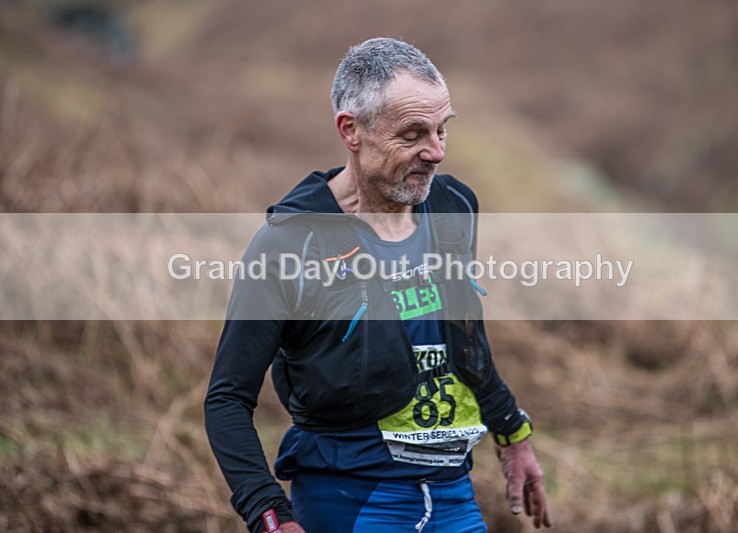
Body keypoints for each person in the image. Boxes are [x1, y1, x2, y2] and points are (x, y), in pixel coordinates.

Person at [205, 37, 551, 533]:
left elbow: (464, 340)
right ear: (351, 130)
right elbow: (227, 400)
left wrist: (513, 432)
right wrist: (270, 514)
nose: (435, 152)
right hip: (352, 501)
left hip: (454, 496)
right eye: (413, 134)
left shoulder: (454, 207)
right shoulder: (289, 246)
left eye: (442, 129)